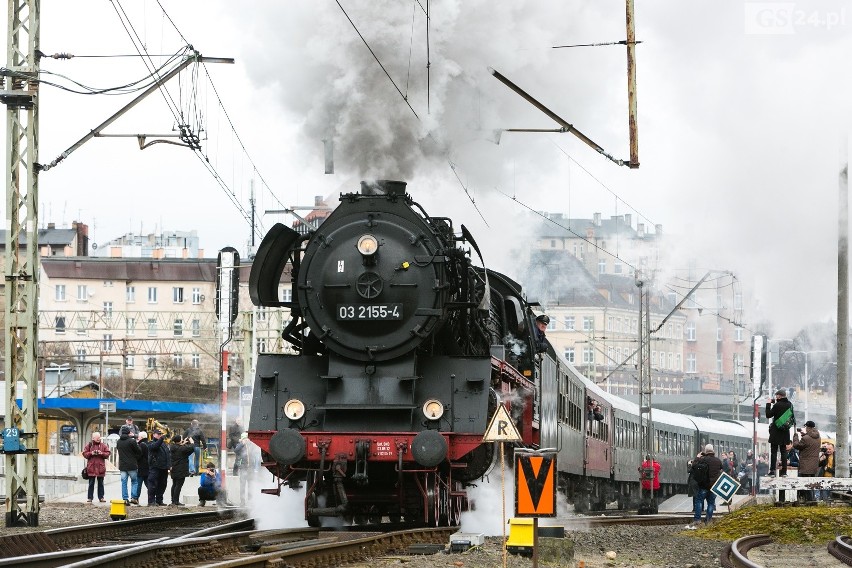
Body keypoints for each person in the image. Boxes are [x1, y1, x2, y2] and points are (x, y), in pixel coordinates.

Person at [687, 444, 722, 529]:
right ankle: (708, 520)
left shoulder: (703, 460)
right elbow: (721, 469)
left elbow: (694, 466)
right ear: (713, 450)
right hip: (714, 486)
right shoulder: (718, 461)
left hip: (704, 486)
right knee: (711, 503)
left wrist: (697, 458)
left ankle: (697, 520)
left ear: (705, 451)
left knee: (698, 501)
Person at [765, 389, 794, 477]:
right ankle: (784, 472)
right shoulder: (790, 404)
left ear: (779, 396)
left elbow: (768, 415)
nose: (775, 397)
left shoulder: (777, 405)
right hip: (785, 431)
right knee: (783, 452)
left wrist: (768, 404)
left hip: (776, 431)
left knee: (774, 451)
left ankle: (772, 471)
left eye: (776, 396)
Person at [792, 420, 821, 501]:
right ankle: (812, 500)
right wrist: (804, 435)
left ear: (808, 427)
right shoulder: (818, 436)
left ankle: (808, 501)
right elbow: (810, 440)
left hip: (805, 466)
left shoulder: (805, 438)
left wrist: (795, 437)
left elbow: (796, 445)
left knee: (805, 485)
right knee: (811, 484)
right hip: (813, 466)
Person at [82, 431, 111, 504]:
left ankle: (101, 497)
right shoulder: (89, 445)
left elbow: (108, 453)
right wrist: (91, 453)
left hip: (100, 468)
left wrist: (101, 453)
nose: (99, 439)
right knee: (91, 483)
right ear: (93, 438)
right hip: (91, 467)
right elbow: (84, 454)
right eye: (97, 438)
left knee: (101, 483)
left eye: (99, 437)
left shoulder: (103, 445)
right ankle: (90, 498)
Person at [116, 425, 142, 505]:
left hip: (123, 466)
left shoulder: (118, 442)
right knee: (134, 481)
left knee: (124, 482)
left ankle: (125, 499)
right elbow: (139, 451)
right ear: (128, 433)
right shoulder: (132, 441)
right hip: (132, 465)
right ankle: (134, 497)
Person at [168, 434, 195, 507]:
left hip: (174, 468)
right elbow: (191, 449)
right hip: (181, 469)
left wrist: (182, 443)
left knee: (174, 484)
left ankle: (173, 500)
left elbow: (181, 449)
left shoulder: (172, 447)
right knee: (178, 485)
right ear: (179, 440)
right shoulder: (182, 449)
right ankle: (176, 501)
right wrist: (192, 442)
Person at [147, 429, 171, 506]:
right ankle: (151, 501)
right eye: (158, 434)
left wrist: (169, 465)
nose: (160, 435)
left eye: (160, 434)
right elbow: (155, 446)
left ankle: (159, 500)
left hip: (163, 468)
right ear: (154, 434)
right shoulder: (151, 443)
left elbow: (168, 454)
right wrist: (161, 439)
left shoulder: (163, 444)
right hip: (155, 467)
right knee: (153, 484)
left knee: (162, 485)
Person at [233, 432, 250, 506]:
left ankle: (251, 500)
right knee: (242, 485)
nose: (247, 440)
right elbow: (235, 450)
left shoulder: (250, 446)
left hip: (250, 468)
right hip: (243, 467)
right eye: (245, 438)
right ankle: (242, 501)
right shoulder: (240, 445)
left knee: (251, 485)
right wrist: (242, 444)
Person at [133, 431, 149, 504]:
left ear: (141, 437)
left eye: (138, 437)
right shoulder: (148, 443)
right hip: (147, 467)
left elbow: (139, 456)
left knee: (138, 484)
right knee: (149, 484)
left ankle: (136, 498)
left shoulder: (141, 445)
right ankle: (152, 498)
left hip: (141, 468)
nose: (137, 438)